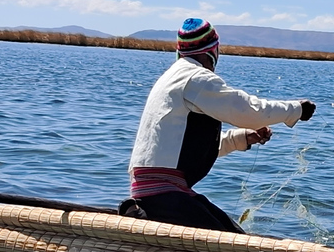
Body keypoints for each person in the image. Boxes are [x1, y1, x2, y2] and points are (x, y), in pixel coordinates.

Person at [120, 18, 316, 233]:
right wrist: (296, 110)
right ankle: (146, 217)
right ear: (212, 52)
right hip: (165, 194)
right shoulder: (196, 78)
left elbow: (181, 147)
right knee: (237, 244)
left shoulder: (170, 78)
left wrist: (240, 139)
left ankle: (142, 214)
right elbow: (249, 111)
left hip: (153, 192)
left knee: (234, 232)